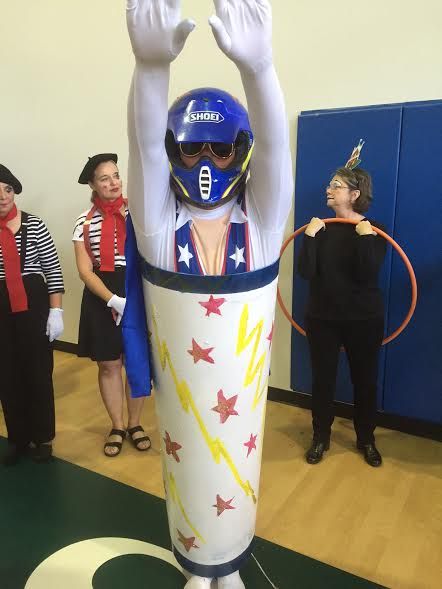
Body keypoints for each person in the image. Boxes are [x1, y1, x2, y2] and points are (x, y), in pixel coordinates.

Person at [126, 1, 293, 587]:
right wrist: (149, 71)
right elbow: (145, 151)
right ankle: (196, 562)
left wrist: (261, 70)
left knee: (233, 470)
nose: (204, 163)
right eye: (191, 150)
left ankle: (231, 558)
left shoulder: (263, 225)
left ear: (238, 151)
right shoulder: (157, 230)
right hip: (184, 405)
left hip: (239, 407)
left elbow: (275, 152)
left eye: (218, 150)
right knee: (192, 472)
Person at [298, 144, 387, 467]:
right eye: (330, 184)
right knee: (322, 380)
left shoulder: (375, 231)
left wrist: (365, 238)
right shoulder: (321, 229)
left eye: (335, 185)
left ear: (354, 193)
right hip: (323, 318)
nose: (328, 189)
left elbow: (366, 274)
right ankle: (320, 437)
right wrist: (309, 238)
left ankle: (366, 439)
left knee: (365, 380)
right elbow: (305, 273)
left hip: (364, 319)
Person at [73, 154, 150, 457]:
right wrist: (111, 299)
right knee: (109, 364)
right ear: (92, 184)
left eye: (116, 176)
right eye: (104, 178)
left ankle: (135, 423)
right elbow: (84, 270)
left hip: (136, 288)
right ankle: (117, 425)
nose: (113, 183)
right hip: (101, 293)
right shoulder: (83, 221)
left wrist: (133, 297)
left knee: (135, 359)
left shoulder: (138, 214)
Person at [0, 163, 64, 466]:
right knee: (7, 375)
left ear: (14, 192)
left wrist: (56, 311)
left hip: (34, 307)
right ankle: (18, 438)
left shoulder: (35, 225)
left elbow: (52, 270)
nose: (3, 196)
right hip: (1, 312)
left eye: (8, 189)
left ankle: (43, 438)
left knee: (38, 373)